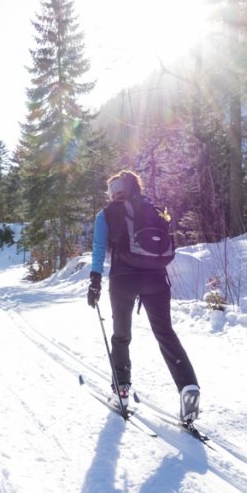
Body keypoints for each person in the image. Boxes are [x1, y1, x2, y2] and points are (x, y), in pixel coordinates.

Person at [87, 170, 200, 424]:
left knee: (121, 335)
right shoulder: (154, 209)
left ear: (114, 190)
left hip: (123, 280)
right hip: (156, 280)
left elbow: (98, 248)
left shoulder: (106, 215)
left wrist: (95, 281)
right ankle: (188, 386)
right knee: (165, 334)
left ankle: (122, 390)